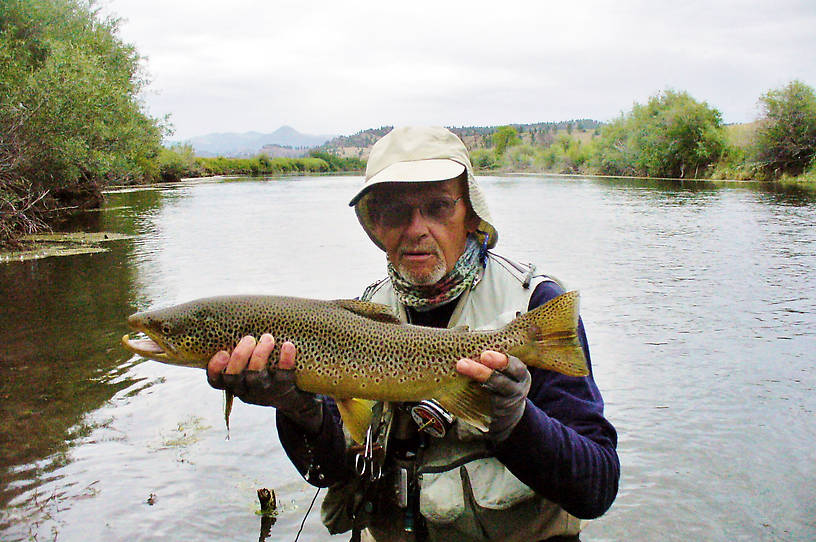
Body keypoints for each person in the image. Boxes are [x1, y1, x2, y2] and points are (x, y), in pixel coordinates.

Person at [207, 126, 619, 541]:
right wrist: (297, 410)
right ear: (375, 224)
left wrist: (517, 422)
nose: (416, 228)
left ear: (471, 214)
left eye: (438, 207)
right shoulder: (356, 321)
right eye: (395, 212)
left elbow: (596, 489)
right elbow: (328, 472)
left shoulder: (533, 309)